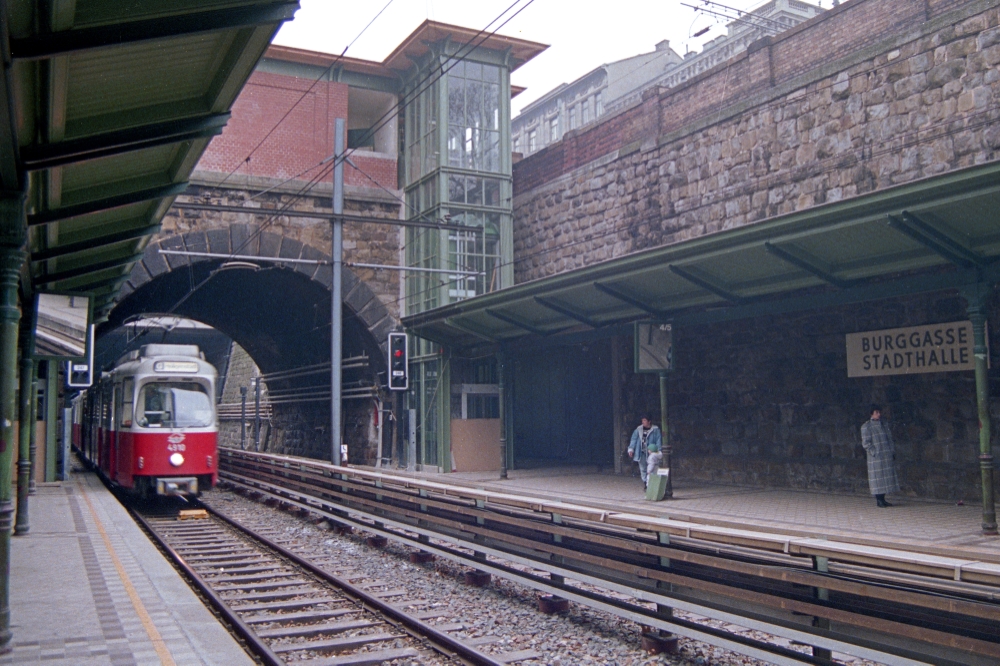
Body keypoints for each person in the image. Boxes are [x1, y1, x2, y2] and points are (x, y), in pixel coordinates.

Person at [860, 404, 900, 507]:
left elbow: (889, 439)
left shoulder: (884, 424)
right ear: (871, 413)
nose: (879, 414)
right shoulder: (866, 426)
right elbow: (866, 443)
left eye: (879, 412)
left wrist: (891, 451)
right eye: (876, 412)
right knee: (877, 479)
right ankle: (879, 500)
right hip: (876, 457)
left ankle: (883, 499)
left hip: (886, 455)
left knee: (885, 479)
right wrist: (874, 452)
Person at [628, 414, 662, 489]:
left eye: (644, 420)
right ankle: (645, 483)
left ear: (649, 421)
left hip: (651, 452)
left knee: (652, 467)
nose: (642, 422)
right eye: (642, 420)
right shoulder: (639, 429)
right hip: (641, 452)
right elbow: (633, 439)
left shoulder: (655, 430)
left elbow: (658, 441)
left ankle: (651, 483)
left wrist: (658, 451)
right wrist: (631, 449)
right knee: (643, 468)